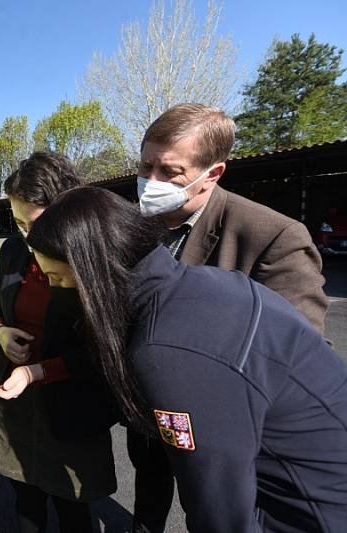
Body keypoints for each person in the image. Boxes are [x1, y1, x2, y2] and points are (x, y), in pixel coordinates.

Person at [26, 186, 347, 532]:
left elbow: (220, 515)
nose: (55, 290)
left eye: (59, 278)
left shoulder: (165, 354)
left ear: (97, 273)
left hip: (307, 515)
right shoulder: (202, 286)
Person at [130, 103, 329, 532]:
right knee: (149, 494)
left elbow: (297, 351)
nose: (152, 182)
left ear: (214, 173)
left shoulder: (273, 236)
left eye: (170, 171)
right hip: (151, 415)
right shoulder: (137, 225)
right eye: (146, 166)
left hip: (227, 432)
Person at [0, 152, 116, 533]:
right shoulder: (12, 250)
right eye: (18, 221)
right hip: (18, 403)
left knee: (73, 506)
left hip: (70, 402)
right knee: (26, 501)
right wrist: (0, 331)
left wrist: (39, 371)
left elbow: (101, 347)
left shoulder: (92, 257)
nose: (27, 233)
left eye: (34, 221)